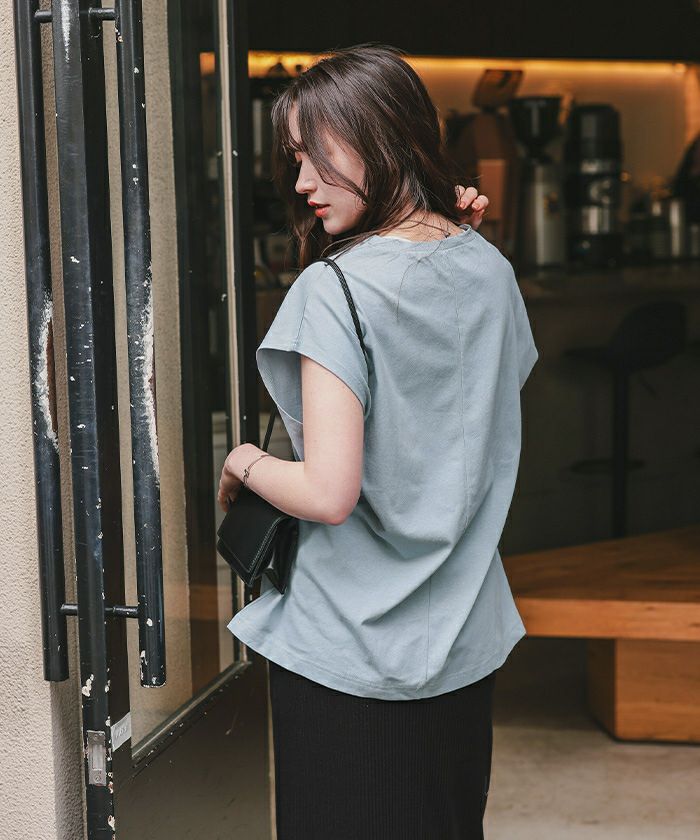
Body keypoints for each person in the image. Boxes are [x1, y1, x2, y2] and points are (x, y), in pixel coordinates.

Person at [218, 44, 538, 840]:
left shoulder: (334, 291)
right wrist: (450, 230)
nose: (301, 182)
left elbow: (328, 493)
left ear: (379, 137)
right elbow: (465, 416)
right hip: (462, 637)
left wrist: (245, 461)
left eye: (314, 155)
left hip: (346, 653)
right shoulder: (490, 269)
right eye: (294, 159)